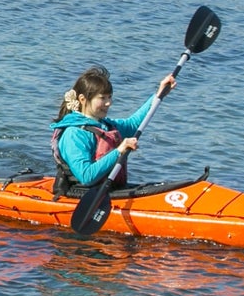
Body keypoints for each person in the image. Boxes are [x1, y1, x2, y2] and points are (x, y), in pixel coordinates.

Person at [49, 65, 176, 198]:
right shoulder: (74, 134)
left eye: (109, 97)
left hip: (110, 191)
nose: (108, 103)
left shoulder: (106, 125)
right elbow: (87, 176)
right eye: (102, 98)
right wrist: (119, 151)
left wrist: (158, 95)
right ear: (82, 99)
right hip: (84, 195)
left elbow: (133, 124)